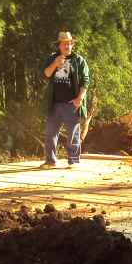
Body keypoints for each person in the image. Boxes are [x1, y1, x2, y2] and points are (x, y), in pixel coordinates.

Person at [39, 32, 90, 168]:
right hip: (53, 103)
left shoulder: (79, 60)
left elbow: (85, 80)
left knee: (73, 133)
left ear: (72, 45)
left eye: (69, 44)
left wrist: (79, 99)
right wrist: (55, 64)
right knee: (50, 133)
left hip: (71, 103)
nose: (67, 46)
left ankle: (73, 161)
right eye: (64, 44)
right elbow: (45, 74)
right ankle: (51, 161)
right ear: (59, 46)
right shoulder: (52, 58)